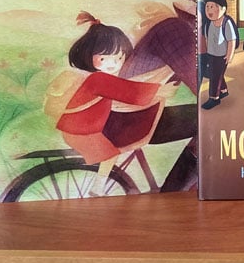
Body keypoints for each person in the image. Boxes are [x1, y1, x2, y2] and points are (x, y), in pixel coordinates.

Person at [55, 11, 174, 194]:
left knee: (113, 150)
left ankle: (99, 186)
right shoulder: (99, 79)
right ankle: (98, 188)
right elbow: (132, 94)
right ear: (88, 56)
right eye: (104, 58)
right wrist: (159, 90)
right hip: (81, 131)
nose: (114, 63)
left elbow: (126, 91)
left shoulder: (99, 78)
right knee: (111, 153)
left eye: (119, 57)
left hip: (83, 128)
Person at [200, 0, 238, 109]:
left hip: (222, 55)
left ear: (223, 9)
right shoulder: (208, 24)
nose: (209, 10)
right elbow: (207, 39)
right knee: (216, 74)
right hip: (211, 54)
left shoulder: (226, 23)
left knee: (214, 76)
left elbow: (232, 40)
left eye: (213, 6)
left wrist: (229, 55)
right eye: (207, 6)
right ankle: (224, 90)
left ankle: (214, 98)